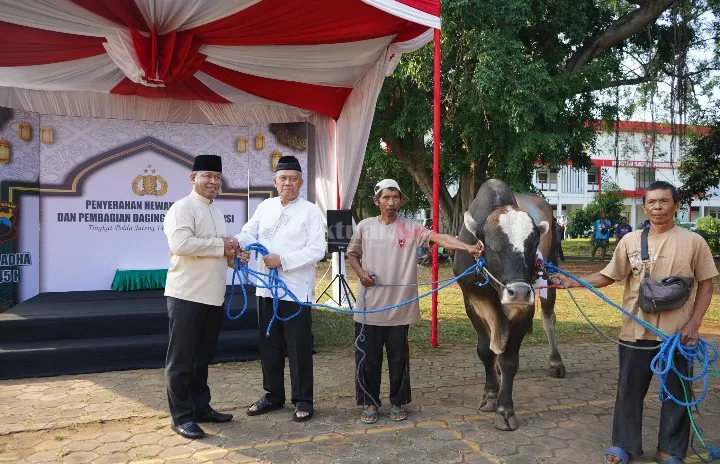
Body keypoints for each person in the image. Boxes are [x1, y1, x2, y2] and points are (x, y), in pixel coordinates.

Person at [553, 181, 717, 464]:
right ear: (644, 207)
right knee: (628, 392)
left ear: (676, 206)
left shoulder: (694, 242)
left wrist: (694, 325)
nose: (657, 207)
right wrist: (573, 281)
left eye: (664, 201)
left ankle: (671, 450)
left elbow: (706, 284)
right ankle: (623, 445)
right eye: (652, 202)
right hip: (634, 331)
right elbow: (608, 276)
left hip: (677, 336)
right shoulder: (629, 241)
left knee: (677, 395)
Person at [347, 179, 484, 424]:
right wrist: (360, 273)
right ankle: (370, 402)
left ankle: (397, 401)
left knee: (399, 359)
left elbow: (441, 239)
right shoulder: (365, 227)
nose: (391, 202)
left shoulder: (411, 228)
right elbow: (353, 254)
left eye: (395, 197)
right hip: (368, 309)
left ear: (400, 200)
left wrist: (468, 247)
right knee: (368, 359)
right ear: (376, 201)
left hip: (400, 309)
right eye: (386, 197)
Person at [235, 155, 325, 422]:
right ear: (275, 182)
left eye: (293, 179)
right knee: (269, 345)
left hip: (296, 291)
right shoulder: (265, 207)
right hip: (266, 290)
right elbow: (249, 233)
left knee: (298, 347)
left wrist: (283, 260)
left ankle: (303, 400)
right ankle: (273, 395)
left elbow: (318, 249)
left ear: (300, 182)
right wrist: (238, 245)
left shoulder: (310, 211)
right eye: (283, 178)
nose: (288, 183)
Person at [163, 155, 245, 439]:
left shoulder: (217, 213)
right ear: (193, 178)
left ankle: (201, 408)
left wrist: (235, 256)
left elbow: (217, 252)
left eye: (217, 178)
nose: (212, 182)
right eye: (207, 176)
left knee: (201, 359)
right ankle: (181, 416)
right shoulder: (181, 208)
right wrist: (221, 244)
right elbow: (181, 244)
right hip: (186, 295)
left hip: (213, 296)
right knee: (182, 360)